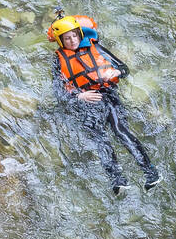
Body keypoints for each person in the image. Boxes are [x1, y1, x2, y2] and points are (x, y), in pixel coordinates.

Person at [47, 12, 160, 195]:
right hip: (85, 103)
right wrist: (78, 96)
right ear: (60, 41)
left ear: (80, 34)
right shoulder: (58, 61)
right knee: (100, 139)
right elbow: (59, 91)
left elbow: (124, 69)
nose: (72, 41)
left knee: (120, 131)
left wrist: (115, 73)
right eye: (67, 38)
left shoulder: (96, 49)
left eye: (75, 35)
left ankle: (151, 173)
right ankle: (118, 181)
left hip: (107, 95)